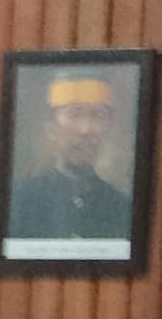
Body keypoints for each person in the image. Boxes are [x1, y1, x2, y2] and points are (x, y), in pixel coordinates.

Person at [9, 73, 133, 241]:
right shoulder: (20, 200)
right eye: (74, 115)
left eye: (98, 116)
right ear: (52, 129)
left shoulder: (120, 206)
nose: (86, 130)